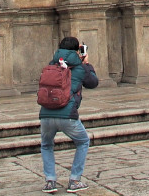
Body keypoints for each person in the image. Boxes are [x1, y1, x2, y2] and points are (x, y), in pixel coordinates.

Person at [40, 36, 98, 193]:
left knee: (46, 145)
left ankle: (50, 181)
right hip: (67, 115)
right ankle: (74, 180)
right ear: (77, 51)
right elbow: (93, 82)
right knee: (83, 141)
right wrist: (87, 64)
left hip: (46, 114)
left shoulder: (50, 66)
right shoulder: (79, 68)